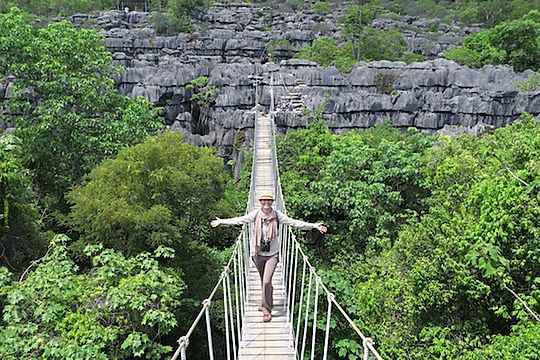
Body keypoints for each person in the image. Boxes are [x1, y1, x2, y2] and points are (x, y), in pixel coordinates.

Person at [211, 192, 327, 322]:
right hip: (258, 254)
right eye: (263, 200)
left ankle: (266, 310)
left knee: (266, 281)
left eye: (269, 200)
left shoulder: (277, 215)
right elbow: (239, 220)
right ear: (260, 202)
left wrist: (314, 226)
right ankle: (265, 301)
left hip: (273, 255)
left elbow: (294, 223)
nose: (266, 203)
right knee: (264, 282)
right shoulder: (255, 215)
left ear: (272, 202)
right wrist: (221, 221)